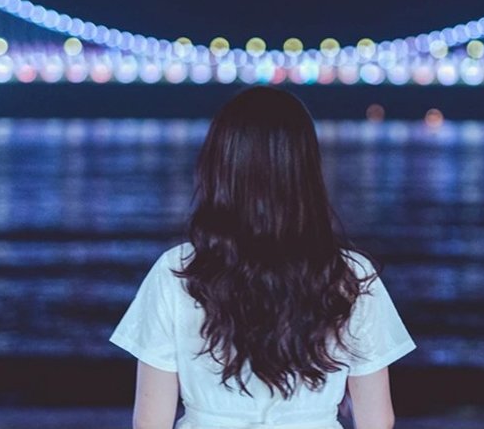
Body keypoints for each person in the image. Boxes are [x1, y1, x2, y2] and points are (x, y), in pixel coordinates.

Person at [109, 86, 415, 429]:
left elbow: (151, 422)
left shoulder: (178, 271)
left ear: (221, 166)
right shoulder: (349, 275)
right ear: (306, 170)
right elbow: (377, 420)